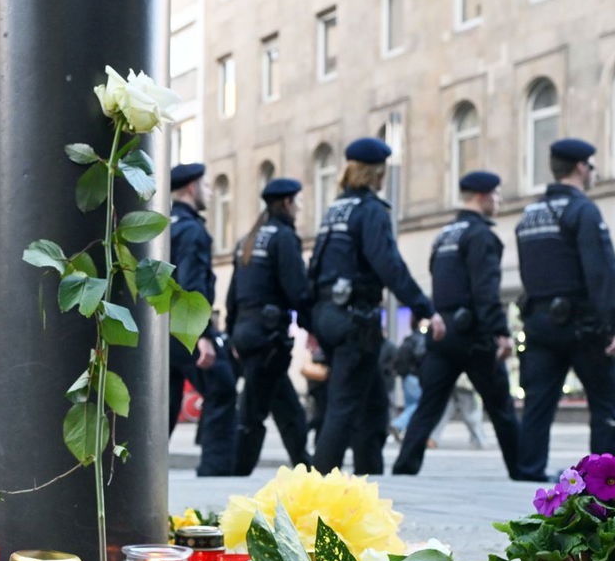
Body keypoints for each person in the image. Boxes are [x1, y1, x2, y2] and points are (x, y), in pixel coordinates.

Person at [307, 137, 443, 475]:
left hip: (329, 314)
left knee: (374, 406)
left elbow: (315, 267)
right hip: (356, 318)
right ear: (376, 173)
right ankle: (317, 487)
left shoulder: (335, 210)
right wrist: (425, 308)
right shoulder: (370, 211)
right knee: (343, 407)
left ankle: (370, 479)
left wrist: (313, 323)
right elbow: (389, 266)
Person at [392, 170, 522, 477]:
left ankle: (404, 468)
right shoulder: (482, 235)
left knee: (428, 406)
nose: (500, 200)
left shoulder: (445, 234)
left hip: (444, 333)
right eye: (497, 194)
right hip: (474, 333)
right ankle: (524, 469)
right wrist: (500, 332)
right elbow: (485, 289)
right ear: (483, 196)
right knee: (501, 407)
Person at [512, 139, 615, 480]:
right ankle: (610, 475)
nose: (593, 174)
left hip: (538, 322)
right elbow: (601, 270)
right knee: (605, 401)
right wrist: (613, 324)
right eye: (591, 167)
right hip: (582, 324)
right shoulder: (583, 210)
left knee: (538, 403)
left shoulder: (529, 215)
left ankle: (529, 470)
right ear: (581, 167)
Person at [228, 177, 312, 473]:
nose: (300, 208)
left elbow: (232, 296)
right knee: (253, 413)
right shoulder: (283, 238)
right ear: (287, 202)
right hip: (268, 337)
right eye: (298, 201)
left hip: (247, 332)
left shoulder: (249, 240)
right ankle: (236, 473)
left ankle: (307, 469)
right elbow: (297, 290)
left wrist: (231, 334)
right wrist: (313, 324)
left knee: (286, 407)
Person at [168, 162, 236, 476]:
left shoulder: (164, 225)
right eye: (207, 186)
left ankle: (142, 471)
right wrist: (204, 333)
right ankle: (214, 472)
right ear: (192, 188)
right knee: (221, 386)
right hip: (185, 329)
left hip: (161, 329)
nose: (209, 192)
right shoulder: (193, 230)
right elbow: (192, 283)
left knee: (164, 404)